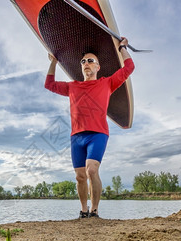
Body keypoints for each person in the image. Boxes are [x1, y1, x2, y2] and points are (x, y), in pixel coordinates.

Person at [44, 37, 135, 218]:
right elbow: (49, 84)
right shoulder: (73, 87)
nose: (86, 63)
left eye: (90, 61)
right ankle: (83, 211)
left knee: (91, 169)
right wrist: (53, 62)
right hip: (76, 136)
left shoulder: (107, 83)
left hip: (98, 134)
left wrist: (122, 47)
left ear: (97, 67)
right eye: (83, 61)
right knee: (80, 176)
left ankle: (94, 211)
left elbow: (129, 68)